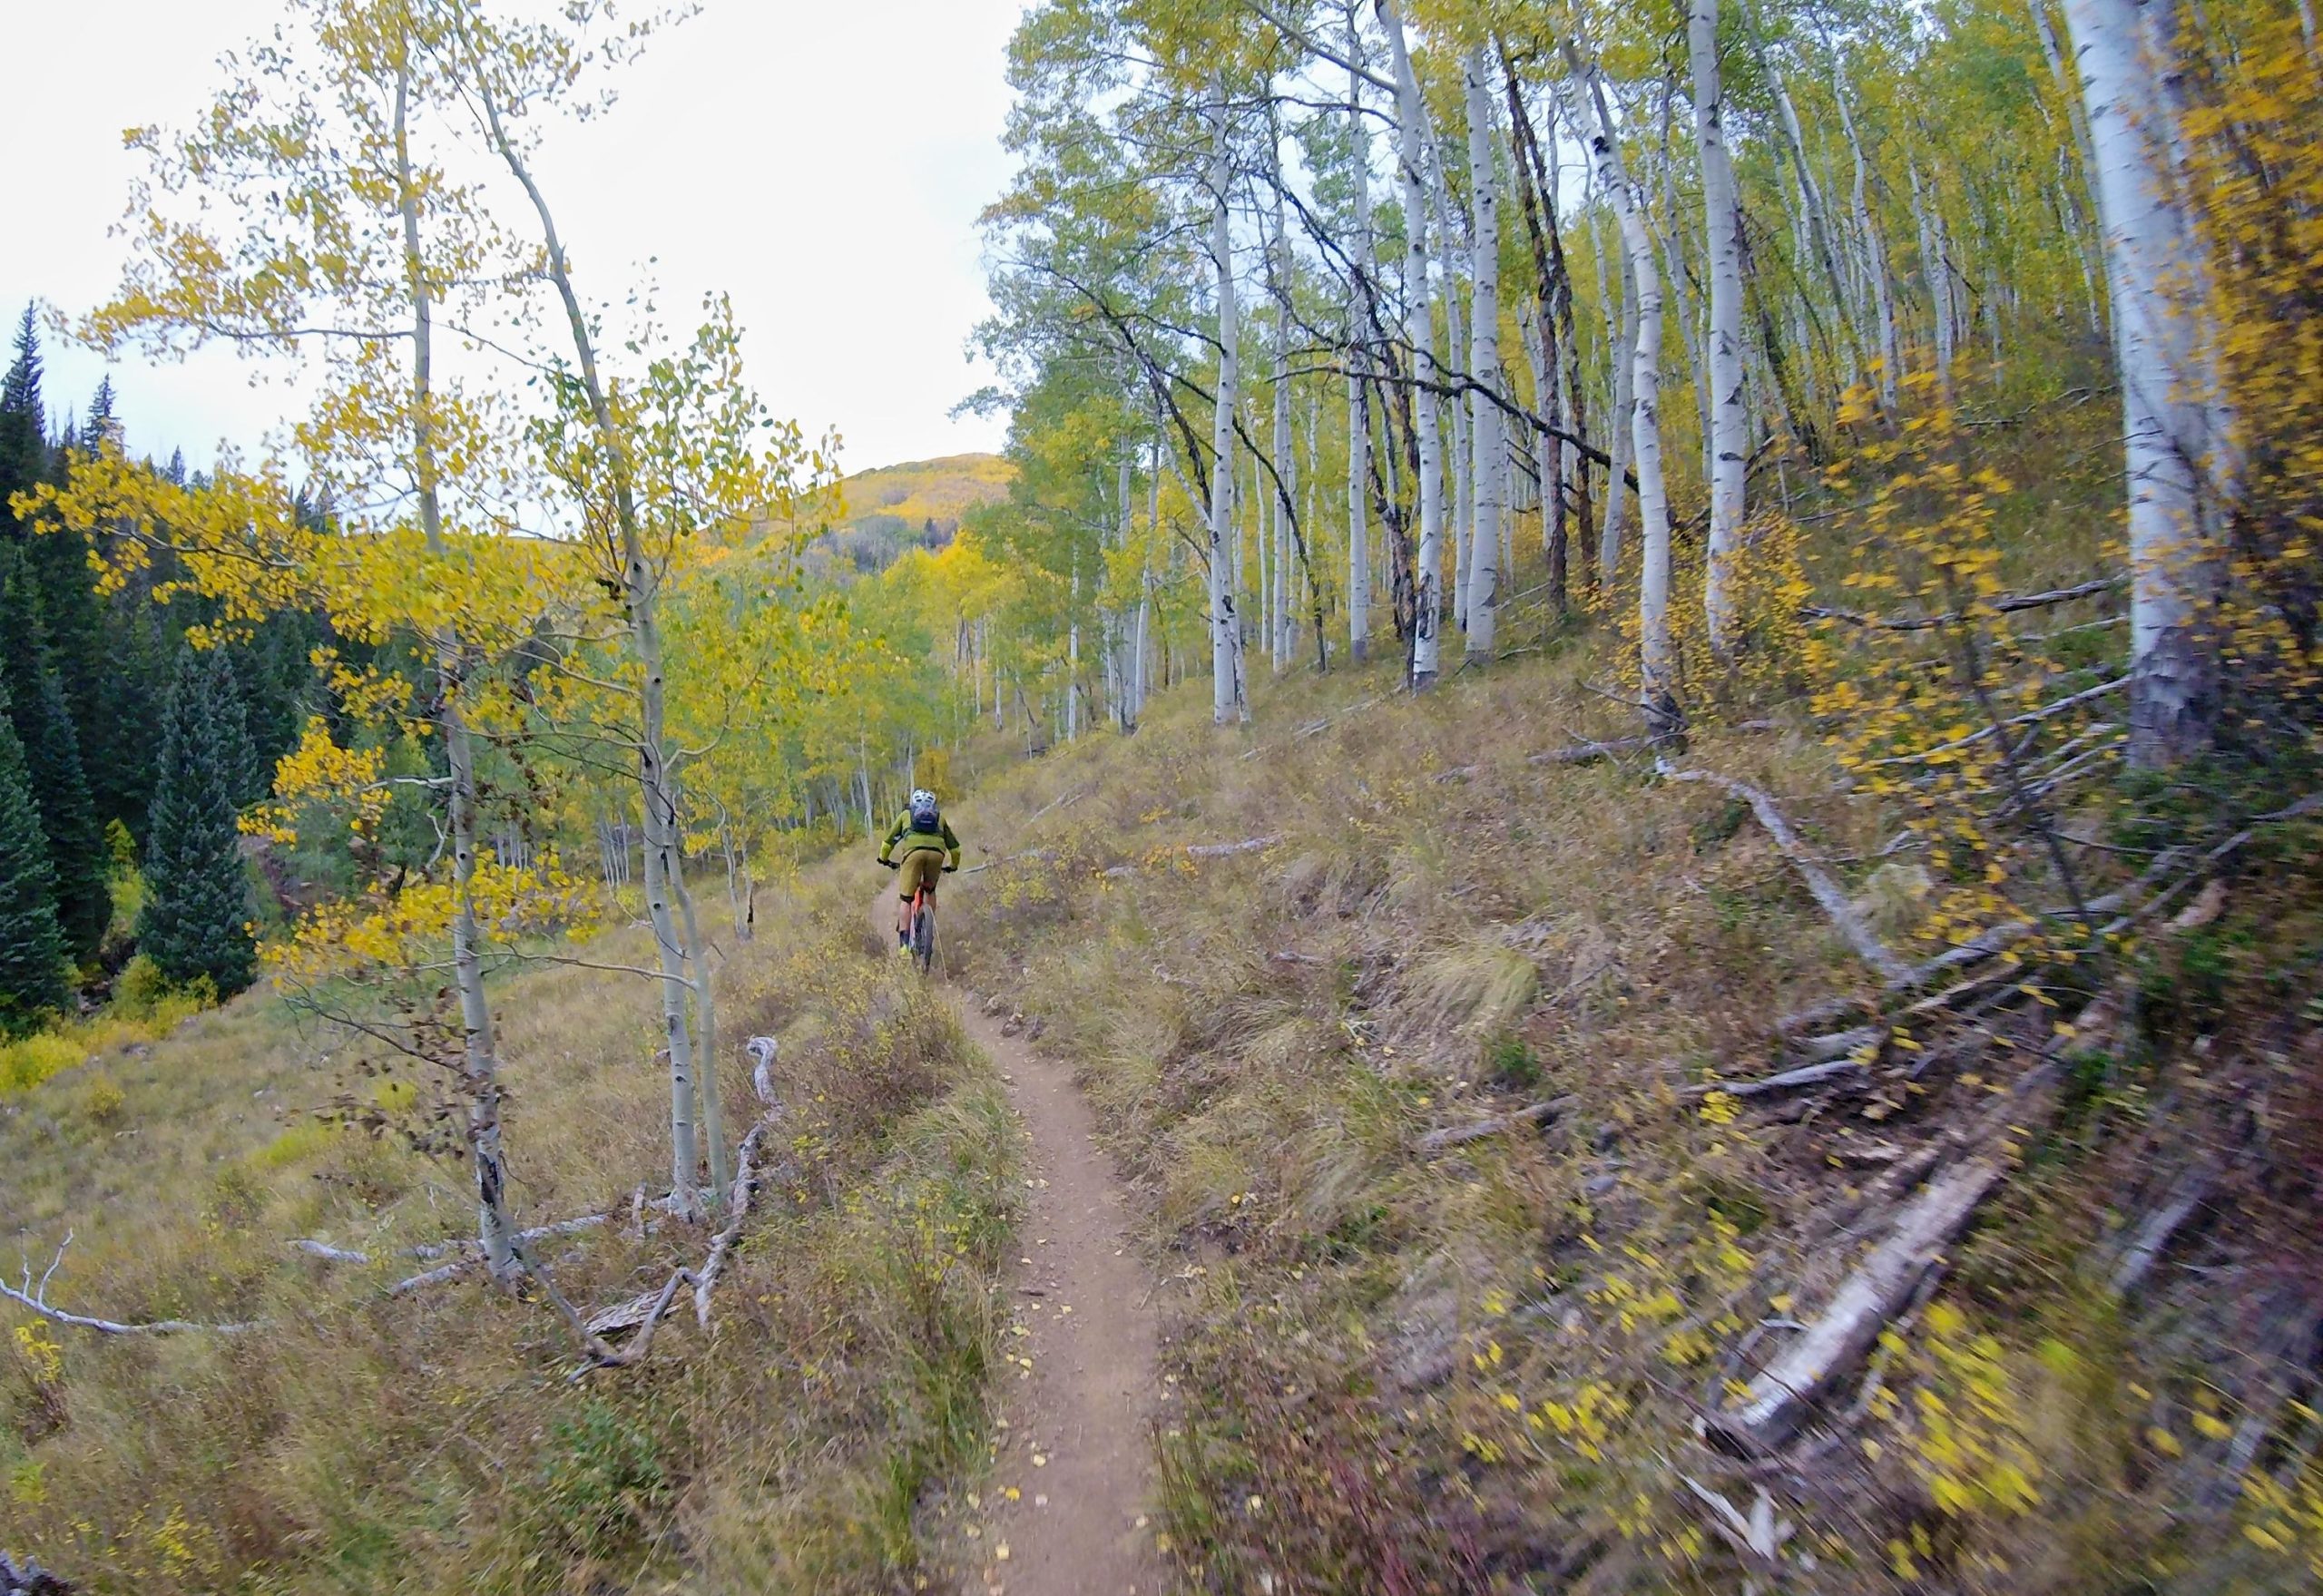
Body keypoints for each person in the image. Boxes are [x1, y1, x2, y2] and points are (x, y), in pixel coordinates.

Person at [879, 788, 961, 949]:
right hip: (937, 854)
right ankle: (927, 927)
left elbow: (888, 842)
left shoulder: (905, 815)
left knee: (906, 899)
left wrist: (884, 859)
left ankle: (903, 947)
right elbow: (955, 849)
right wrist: (953, 866)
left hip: (913, 854)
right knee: (930, 890)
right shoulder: (940, 818)